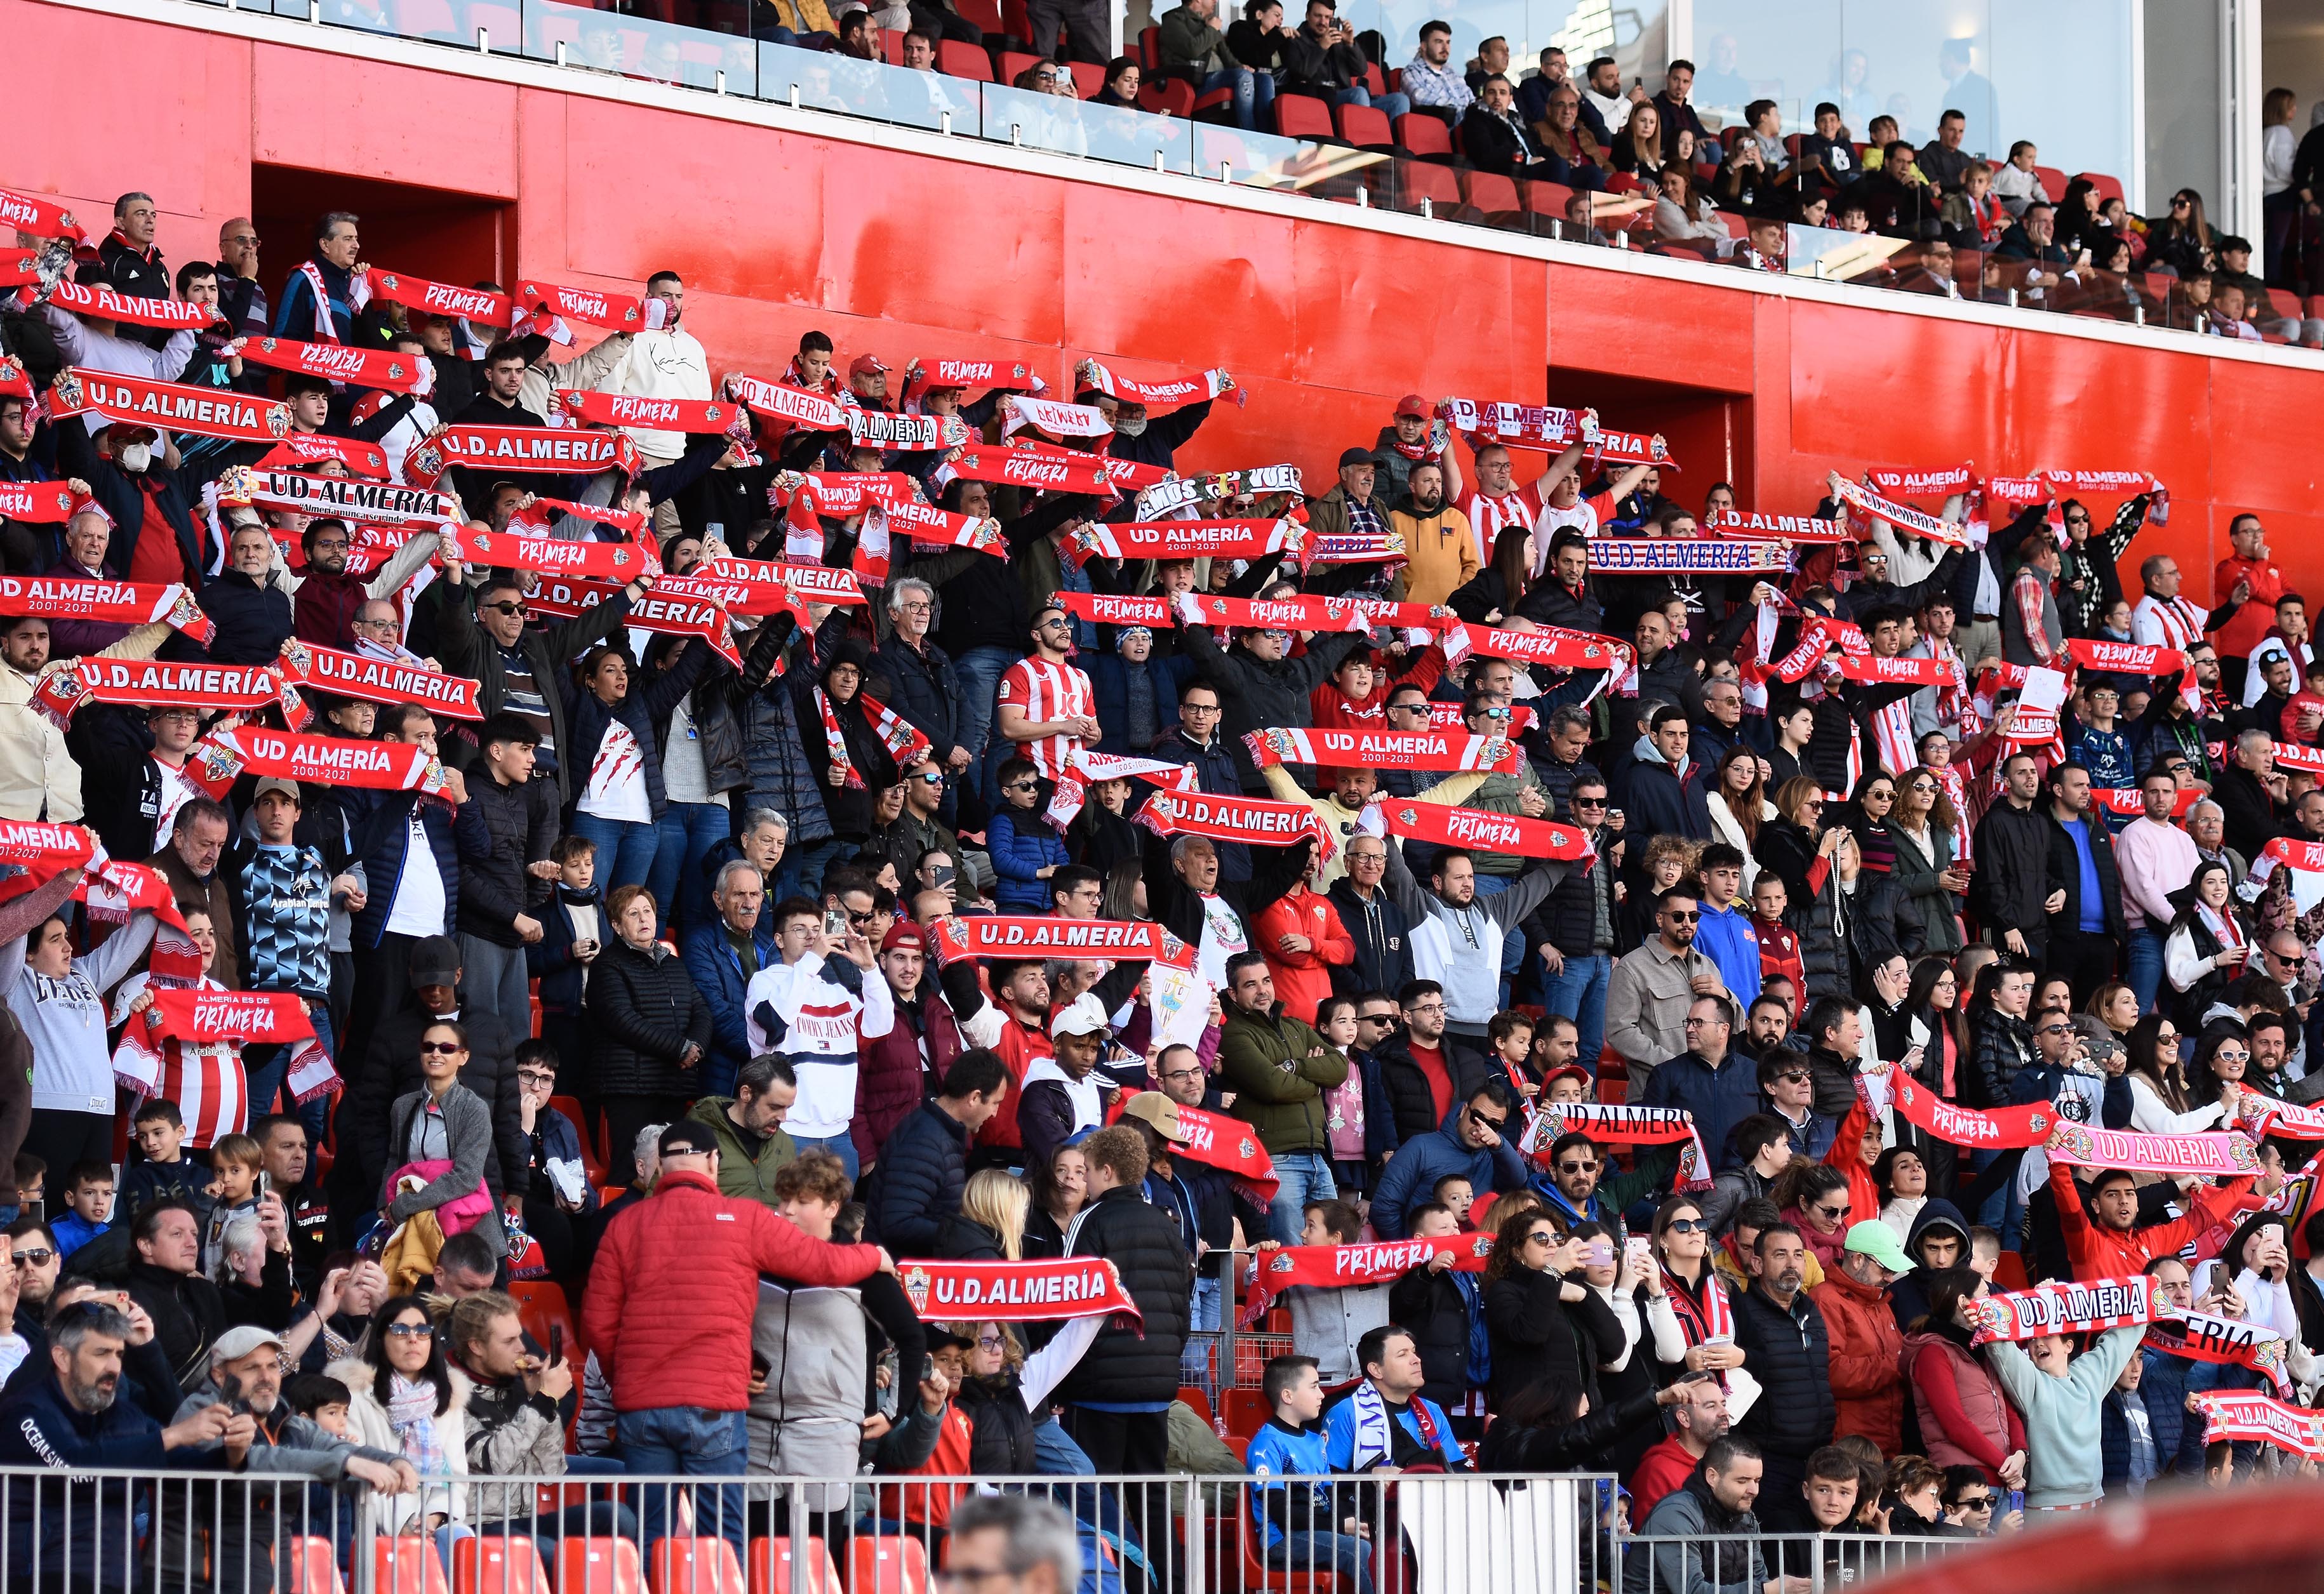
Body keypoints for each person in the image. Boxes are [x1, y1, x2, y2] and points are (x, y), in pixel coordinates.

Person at [585, 1121, 891, 1556]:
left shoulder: (624, 1223)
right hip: (715, 1406)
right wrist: (873, 1254)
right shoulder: (744, 1219)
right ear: (714, 1162)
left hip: (644, 1404)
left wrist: (630, 1380)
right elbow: (822, 1263)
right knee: (722, 1538)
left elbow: (596, 1322)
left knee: (649, 1535)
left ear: (661, 1166)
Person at [1217, 950, 1349, 1244]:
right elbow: (1273, 1086)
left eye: (1266, 980)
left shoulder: (1297, 1027)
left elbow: (1340, 1068)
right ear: (1233, 994)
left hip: (1319, 1157)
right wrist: (1316, 1084)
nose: (1263, 990)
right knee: (1290, 1256)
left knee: (1333, 1253)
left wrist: (1295, 1067)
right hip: (1277, 1160)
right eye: (1251, 985)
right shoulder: (1235, 1034)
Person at [1728, 1223, 1833, 1529]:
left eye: (1798, 1255)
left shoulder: (1810, 1310)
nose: (1792, 1264)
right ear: (1758, 1264)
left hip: (1814, 1458)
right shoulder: (1743, 1313)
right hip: (1769, 1462)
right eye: (1780, 1255)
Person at [1246, 1354, 1374, 1594]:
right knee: (1358, 1549)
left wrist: (1355, 1523)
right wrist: (1340, 1525)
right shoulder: (1267, 1443)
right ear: (1287, 1396)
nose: (1322, 1395)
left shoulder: (1317, 1442)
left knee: (1382, 1542)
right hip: (1283, 1540)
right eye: (1314, 1387)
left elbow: (1330, 1498)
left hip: (1321, 1532)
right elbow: (1279, 1511)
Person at [1985, 1322, 2145, 1513]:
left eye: (2047, 1336)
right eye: (2032, 1338)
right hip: (2047, 1510)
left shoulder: (2088, 1375)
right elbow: (2003, 1350)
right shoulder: (2032, 1383)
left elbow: (2119, 1342)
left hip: (2095, 1504)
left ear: (2068, 1346)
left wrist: (2146, 1303)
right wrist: (1990, 1315)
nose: (2038, 1343)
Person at [1605, 888, 1729, 1099]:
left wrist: (1725, 995)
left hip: (1709, 1093)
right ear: (1660, 920)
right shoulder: (1632, 967)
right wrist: (1673, 1066)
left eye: (1694, 916)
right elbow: (1620, 1032)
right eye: (1679, 916)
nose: (1687, 923)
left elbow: (1733, 1027)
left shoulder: (1707, 966)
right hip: (1656, 1095)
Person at [1619, 1435, 1778, 1594]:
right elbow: (1692, 1590)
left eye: (1757, 1481)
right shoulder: (1676, 1514)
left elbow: (1758, 1577)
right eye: (1742, 1481)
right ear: (1712, 1477)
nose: (1754, 1491)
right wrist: (1765, 1590)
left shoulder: (1746, 1518)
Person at [1805, 1221, 1910, 1457]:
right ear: (1857, 1259)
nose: (1890, 1278)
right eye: (1885, 1269)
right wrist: (1899, 1362)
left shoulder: (1880, 1302)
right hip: (1850, 1449)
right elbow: (1833, 1372)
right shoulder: (1825, 1300)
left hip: (1887, 1443)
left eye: (1893, 1272)